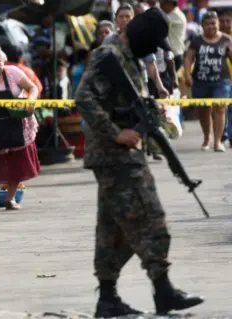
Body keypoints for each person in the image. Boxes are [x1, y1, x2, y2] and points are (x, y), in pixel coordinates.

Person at [75, 8, 205, 318]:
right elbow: (83, 97)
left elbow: (121, 99)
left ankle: (107, 299)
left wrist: (147, 110)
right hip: (116, 156)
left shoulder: (128, 56)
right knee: (151, 219)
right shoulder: (109, 54)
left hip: (118, 157)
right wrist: (118, 133)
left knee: (112, 231)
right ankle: (163, 290)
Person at [0, 43, 40, 210]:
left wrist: (30, 101)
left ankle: (10, 198)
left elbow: (32, 88)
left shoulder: (13, 73)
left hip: (16, 124)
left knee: (17, 164)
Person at [184, 11, 232, 152]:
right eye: (208, 24)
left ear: (217, 24)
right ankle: (206, 138)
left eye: (214, 23)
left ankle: (218, 142)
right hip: (200, 81)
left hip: (221, 81)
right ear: (202, 26)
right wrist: (187, 75)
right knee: (203, 112)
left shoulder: (226, 40)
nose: (211, 26)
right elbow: (188, 58)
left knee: (220, 108)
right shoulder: (197, 41)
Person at [104, 4, 170, 98]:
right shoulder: (109, 40)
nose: (124, 19)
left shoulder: (142, 39)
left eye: (127, 16)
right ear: (115, 20)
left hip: (139, 88)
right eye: (121, 17)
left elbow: (150, 64)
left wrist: (160, 87)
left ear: (134, 18)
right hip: (116, 89)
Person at [218, 9, 232, 146]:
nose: (225, 24)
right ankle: (221, 135)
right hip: (220, 79)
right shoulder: (214, 37)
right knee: (221, 108)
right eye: (222, 21)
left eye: (228, 21)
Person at [160, 0, 187, 70]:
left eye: (163, 3)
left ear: (170, 4)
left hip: (175, 56)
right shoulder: (175, 14)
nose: (161, 6)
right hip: (175, 55)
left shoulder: (174, 15)